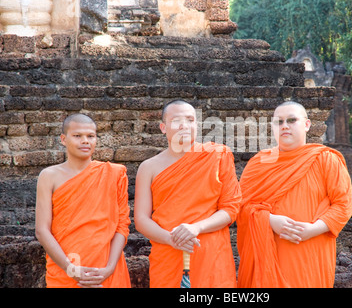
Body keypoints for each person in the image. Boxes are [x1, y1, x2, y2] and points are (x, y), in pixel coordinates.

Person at [236, 101, 352, 288]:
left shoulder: (325, 159)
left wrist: (311, 230)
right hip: (268, 257)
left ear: (307, 125)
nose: (285, 126)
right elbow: (241, 207)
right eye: (279, 122)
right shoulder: (259, 163)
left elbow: (343, 205)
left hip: (310, 255)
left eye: (291, 120)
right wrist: (269, 220)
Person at [134, 99, 241, 288]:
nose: (184, 125)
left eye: (190, 120)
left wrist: (196, 228)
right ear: (163, 127)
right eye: (176, 121)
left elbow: (230, 209)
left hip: (211, 254)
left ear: (197, 125)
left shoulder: (217, 155)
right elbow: (141, 220)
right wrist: (171, 239)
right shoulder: (148, 167)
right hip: (168, 253)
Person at [35, 113, 131, 288]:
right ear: (63, 139)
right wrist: (71, 270)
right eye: (77, 136)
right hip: (65, 270)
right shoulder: (49, 176)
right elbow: (42, 230)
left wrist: (108, 269)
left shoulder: (114, 173)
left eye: (90, 136)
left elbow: (122, 225)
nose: (85, 141)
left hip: (106, 270)